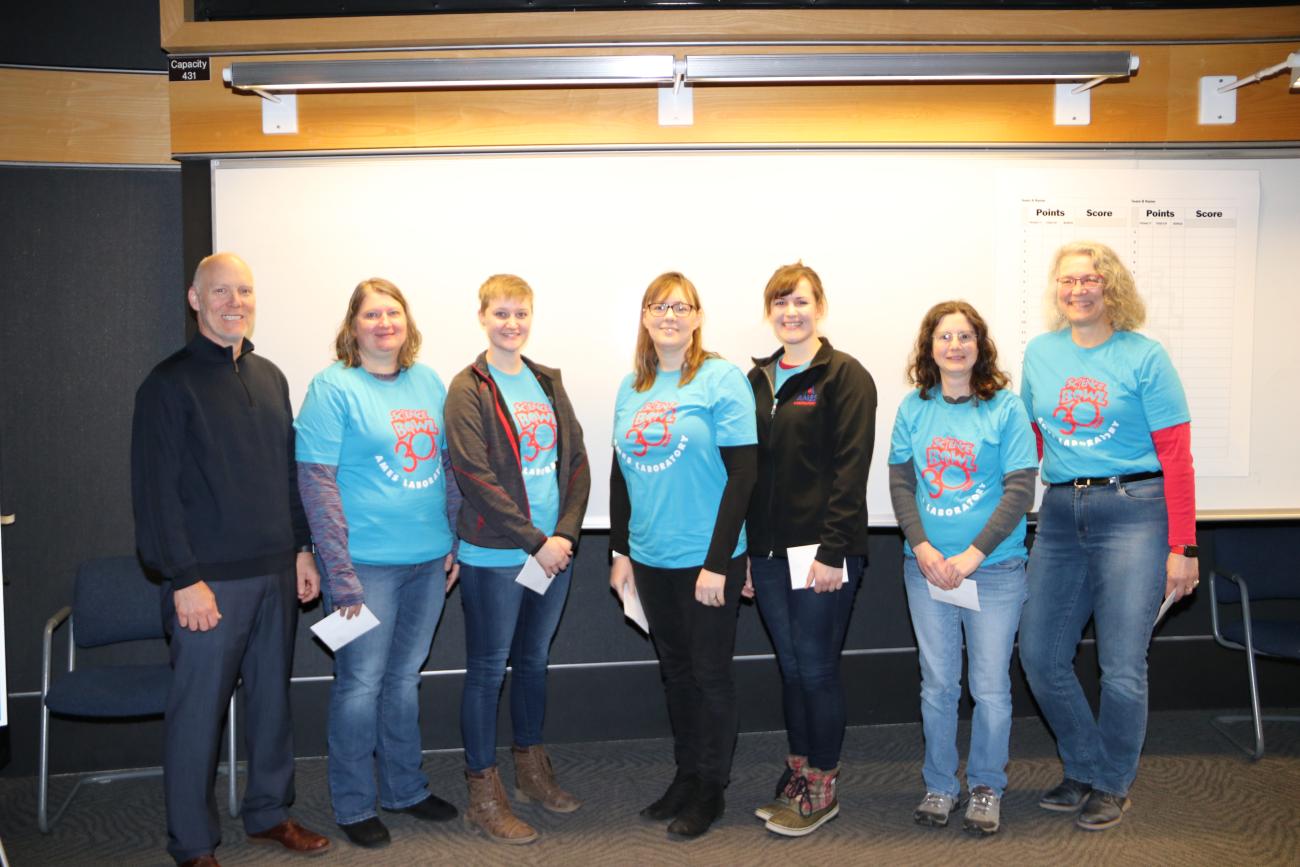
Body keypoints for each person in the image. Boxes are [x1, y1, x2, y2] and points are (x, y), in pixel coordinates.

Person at [131, 252, 331, 866]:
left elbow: (287, 475)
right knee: (197, 719)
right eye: (220, 291)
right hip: (208, 585)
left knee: (272, 705)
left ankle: (269, 813)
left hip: (275, 573)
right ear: (195, 299)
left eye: (243, 291)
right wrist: (183, 580)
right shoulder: (167, 384)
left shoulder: (270, 377)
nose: (234, 302)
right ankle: (192, 845)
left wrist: (302, 549)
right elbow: (155, 493)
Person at [1018, 241, 1199, 831]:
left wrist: (1183, 546)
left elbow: (1176, 456)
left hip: (1135, 510)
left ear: (1111, 287)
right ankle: (1087, 765)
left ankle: (1113, 783)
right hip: (1062, 513)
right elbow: (1036, 443)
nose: (1077, 290)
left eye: (1090, 279)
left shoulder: (1145, 357)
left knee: (1122, 664)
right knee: (1040, 656)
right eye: (1067, 280)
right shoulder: (1040, 354)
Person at [294, 278, 460, 848]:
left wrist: (453, 541)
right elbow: (316, 485)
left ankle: (405, 789)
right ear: (353, 325)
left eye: (393, 313)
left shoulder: (429, 380)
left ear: (407, 323)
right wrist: (338, 572)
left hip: (428, 560)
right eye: (371, 315)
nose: (384, 322)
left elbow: (448, 466)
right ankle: (354, 802)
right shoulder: (332, 387)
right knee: (360, 683)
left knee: (404, 680)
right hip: (363, 565)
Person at [608, 271, 758, 839]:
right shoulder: (632, 387)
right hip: (650, 557)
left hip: (707, 557)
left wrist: (718, 562)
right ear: (645, 317)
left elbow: (744, 474)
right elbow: (622, 478)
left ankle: (711, 789)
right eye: (657, 306)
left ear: (696, 318)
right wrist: (620, 551)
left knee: (710, 675)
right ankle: (686, 775)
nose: (668, 316)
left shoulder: (720, 379)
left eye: (680, 307)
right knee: (675, 674)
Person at [444, 274, 591, 844]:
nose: (512, 324)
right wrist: (538, 541)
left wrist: (566, 534)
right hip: (495, 556)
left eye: (521, 314)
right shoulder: (467, 387)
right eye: (501, 313)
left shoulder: (546, 381)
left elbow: (575, 460)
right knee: (487, 671)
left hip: (553, 552)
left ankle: (531, 773)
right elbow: (474, 476)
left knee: (533, 660)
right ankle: (483, 793)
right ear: (482, 316)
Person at [887, 300, 1037, 836]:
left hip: (993, 569)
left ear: (980, 345)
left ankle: (986, 785)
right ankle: (940, 785)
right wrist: (923, 548)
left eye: (965, 336)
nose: (955, 346)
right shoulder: (914, 407)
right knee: (937, 685)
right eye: (944, 337)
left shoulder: (1005, 408)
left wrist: (973, 554)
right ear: (930, 347)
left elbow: (1021, 488)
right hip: (925, 569)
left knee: (991, 686)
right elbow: (902, 483)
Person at [744, 262, 876, 837]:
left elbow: (852, 470)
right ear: (768, 312)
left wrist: (832, 551)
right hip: (769, 555)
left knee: (818, 669)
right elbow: (747, 472)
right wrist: (748, 551)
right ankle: (797, 770)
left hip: (823, 551)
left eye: (800, 301)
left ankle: (823, 781)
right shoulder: (757, 380)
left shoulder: (845, 375)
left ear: (819, 306)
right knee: (793, 669)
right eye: (779, 303)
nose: (790, 313)